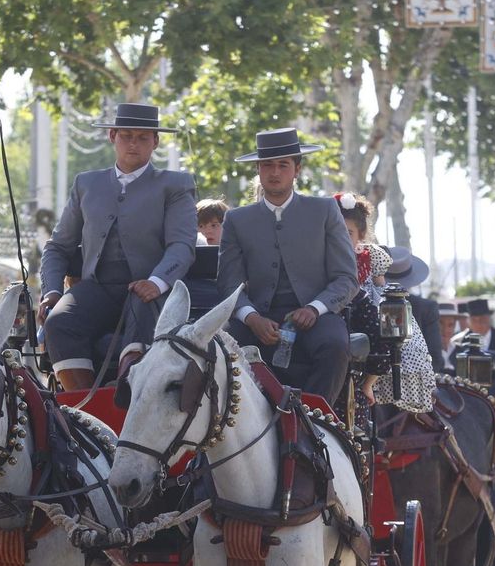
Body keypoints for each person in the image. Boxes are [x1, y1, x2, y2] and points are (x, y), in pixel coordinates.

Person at [38, 103, 196, 391]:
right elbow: (58, 247)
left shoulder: (175, 185)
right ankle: (81, 405)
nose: (133, 143)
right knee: (59, 323)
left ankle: (128, 392)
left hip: (148, 289)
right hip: (97, 287)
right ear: (112, 136)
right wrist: (52, 292)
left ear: (156, 141)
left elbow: (182, 245)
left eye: (143, 137)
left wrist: (157, 282)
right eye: (126, 136)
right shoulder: (86, 183)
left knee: (140, 324)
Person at [218, 127, 357, 402]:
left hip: (317, 314)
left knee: (335, 346)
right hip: (259, 315)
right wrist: (251, 318)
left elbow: (346, 278)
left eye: (283, 165)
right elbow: (228, 284)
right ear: (258, 169)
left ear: (297, 169)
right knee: (222, 350)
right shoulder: (237, 220)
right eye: (267, 165)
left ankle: (314, 419)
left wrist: (314, 309)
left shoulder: (324, 210)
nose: (275, 172)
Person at [333, 192, 436, 411]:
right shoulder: (321, 254)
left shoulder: (369, 256)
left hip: (363, 302)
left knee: (388, 334)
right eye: (336, 231)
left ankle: (369, 384)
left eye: (348, 233)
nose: (341, 238)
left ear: (360, 235)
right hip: (337, 305)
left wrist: (378, 304)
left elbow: (380, 286)